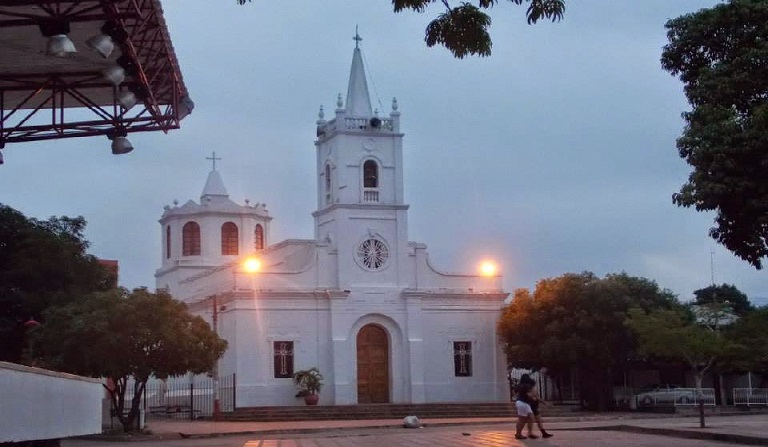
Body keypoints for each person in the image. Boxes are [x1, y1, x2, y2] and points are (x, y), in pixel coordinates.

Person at [519, 373, 553, 438]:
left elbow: (535, 396)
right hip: (531, 404)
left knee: (533, 419)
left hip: (530, 404)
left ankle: (536, 433)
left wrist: (542, 401)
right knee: (534, 419)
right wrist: (542, 401)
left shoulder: (523, 386)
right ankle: (533, 433)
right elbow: (535, 396)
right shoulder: (529, 387)